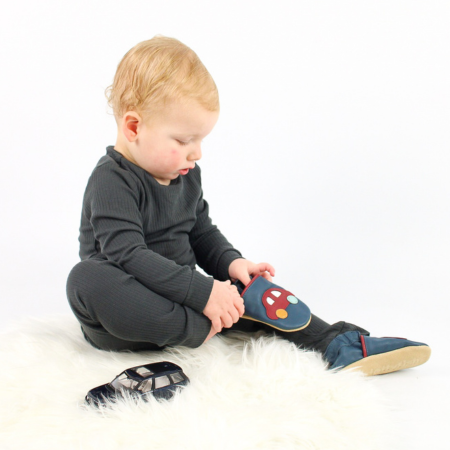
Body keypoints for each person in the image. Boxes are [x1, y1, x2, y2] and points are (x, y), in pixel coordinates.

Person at [66, 35, 430, 376]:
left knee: (254, 289)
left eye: (201, 139)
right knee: (84, 280)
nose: (197, 152)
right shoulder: (112, 181)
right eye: (184, 139)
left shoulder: (186, 172)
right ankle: (203, 326)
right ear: (133, 127)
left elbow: (201, 231)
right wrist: (202, 293)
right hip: (130, 316)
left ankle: (335, 342)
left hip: (184, 296)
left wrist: (232, 264)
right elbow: (127, 254)